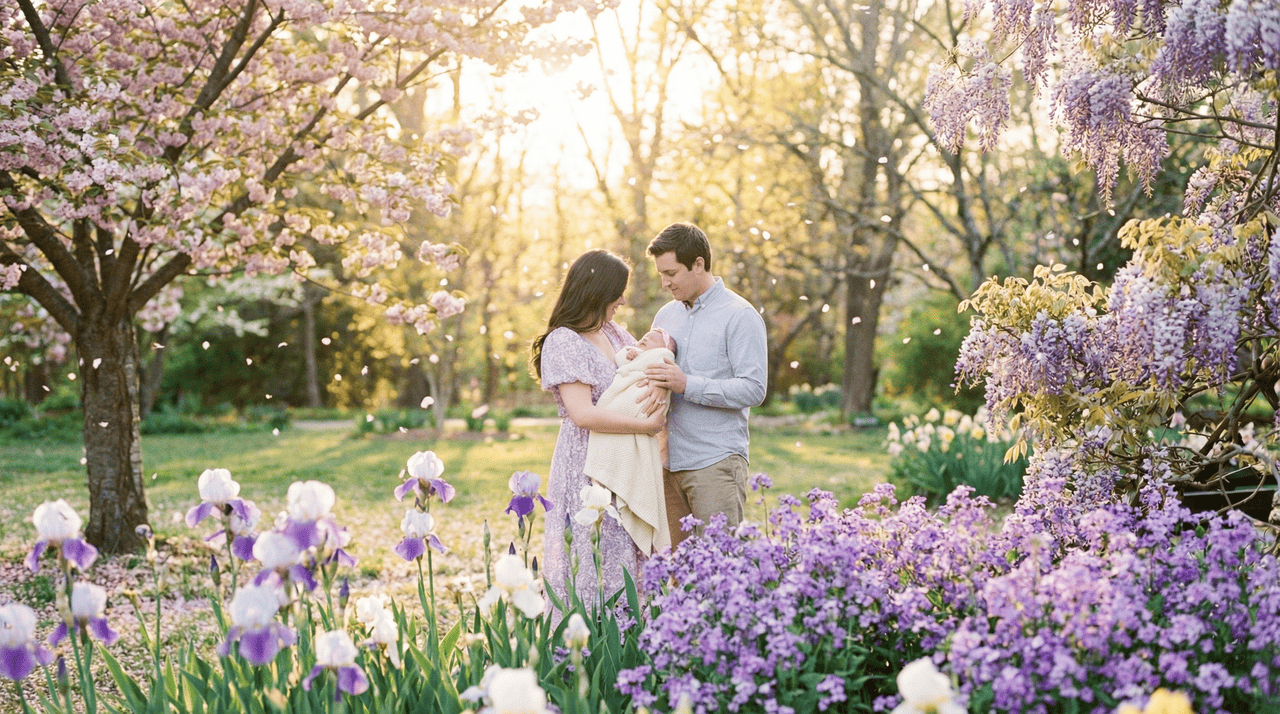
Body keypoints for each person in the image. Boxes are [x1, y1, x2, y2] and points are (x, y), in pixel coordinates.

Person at [529, 250, 665, 609]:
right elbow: (583, 415)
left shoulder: (616, 333)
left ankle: (629, 646)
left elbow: (641, 372)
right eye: (617, 291)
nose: (622, 299)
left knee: (625, 550)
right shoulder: (563, 341)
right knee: (590, 556)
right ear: (596, 291)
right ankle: (586, 643)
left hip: (625, 462)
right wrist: (646, 426)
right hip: (585, 466)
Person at [643, 222, 768, 547]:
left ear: (698, 264)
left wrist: (687, 384)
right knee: (675, 572)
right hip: (666, 464)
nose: (665, 282)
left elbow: (754, 388)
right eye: (661, 274)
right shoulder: (666, 316)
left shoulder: (740, 316)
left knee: (718, 572)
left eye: (671, 272)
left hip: (714, 464)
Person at [583, 328, 676, 556]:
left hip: (637, 403)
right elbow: (622, 363)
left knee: (638, 404)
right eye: (644, 338)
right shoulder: (634, 350)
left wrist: (657, 375)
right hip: (618, 406)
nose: (643, 338)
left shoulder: (662, 358)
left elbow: (663, 362)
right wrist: (631, 355)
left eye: (650, 339)